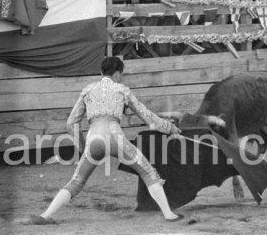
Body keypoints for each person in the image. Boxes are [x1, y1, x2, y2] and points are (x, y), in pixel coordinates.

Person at [29, 57, 184, 225]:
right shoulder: (122, 89)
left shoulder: (88, 90)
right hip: (114, 136)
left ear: (101, 72)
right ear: (117, 74)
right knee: (147, 172)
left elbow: (71, 123)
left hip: (93, 139)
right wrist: (170, 128)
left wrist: (83, 148)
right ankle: (169, 214)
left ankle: (45, 215)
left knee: (77, 180)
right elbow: (147, 116)